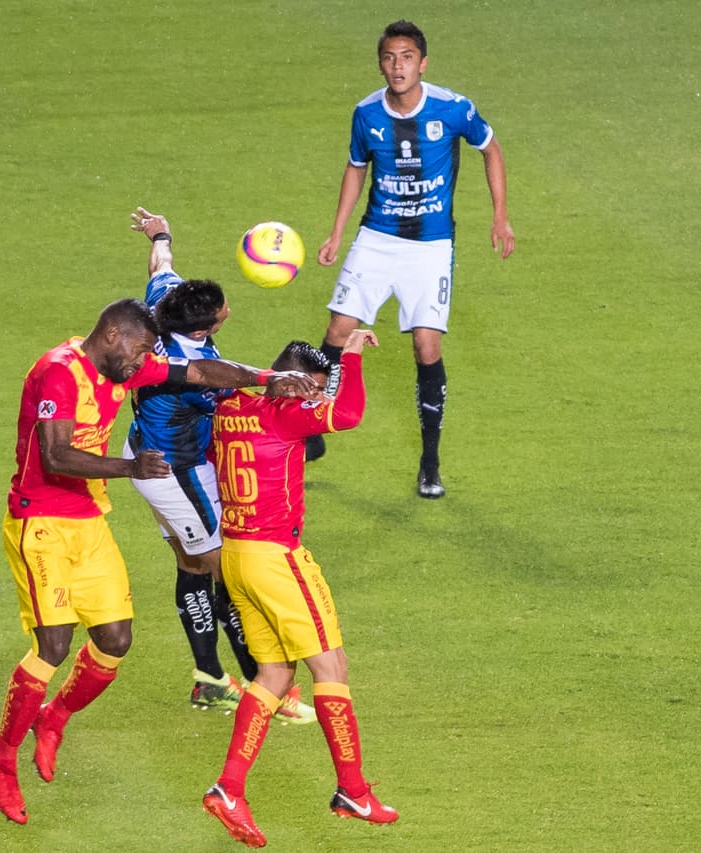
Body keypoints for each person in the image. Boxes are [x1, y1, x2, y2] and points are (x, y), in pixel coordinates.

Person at [0, 298, 321, 825]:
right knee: (53, 644)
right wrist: (130, 465)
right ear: (112, 335)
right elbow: (54, 454)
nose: (143, 365)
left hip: (89, 520)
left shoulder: (124, 364)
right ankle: (0, 760)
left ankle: (54, 718)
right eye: (139, 352)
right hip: (39, 524)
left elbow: (201, 369)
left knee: (115, 640)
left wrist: (266, 378)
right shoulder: (58, 372)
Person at [201, 330, 399, 848]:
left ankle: (229, 790)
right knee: (330, 666)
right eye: (310, 388)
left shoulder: (229, 406)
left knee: (272, 674)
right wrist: (349, 356)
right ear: (289, 380)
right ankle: (353, 791)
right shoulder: (282, 413)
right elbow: (349, 414)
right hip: (274, 557)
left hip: (235, 554)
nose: (314, 399)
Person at [309, 18, 517, 498]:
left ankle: (429, 462)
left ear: (422, 63)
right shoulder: (366, 113)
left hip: (430, 246)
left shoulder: (453, 108)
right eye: (389, 57)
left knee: (427, 346)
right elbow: (356, 169)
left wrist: (500, 216)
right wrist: (338, 233)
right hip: (377, 239)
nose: (397, 66)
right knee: (338, 330)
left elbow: (492, 148)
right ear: (380, 64)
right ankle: (313, 430)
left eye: (406, 57)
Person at [123, 207, 315, 724]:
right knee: (228, 572)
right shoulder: (181, 371)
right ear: (206, 323)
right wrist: (281, 386)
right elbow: (224, 383)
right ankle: (267, 687)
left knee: (191, 563)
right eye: (224, 311)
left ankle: (209, 680)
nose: (228, 309)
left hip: (157, 453)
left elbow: (159, 265)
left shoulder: (167, 302)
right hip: (175, 471)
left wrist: (159, 232)